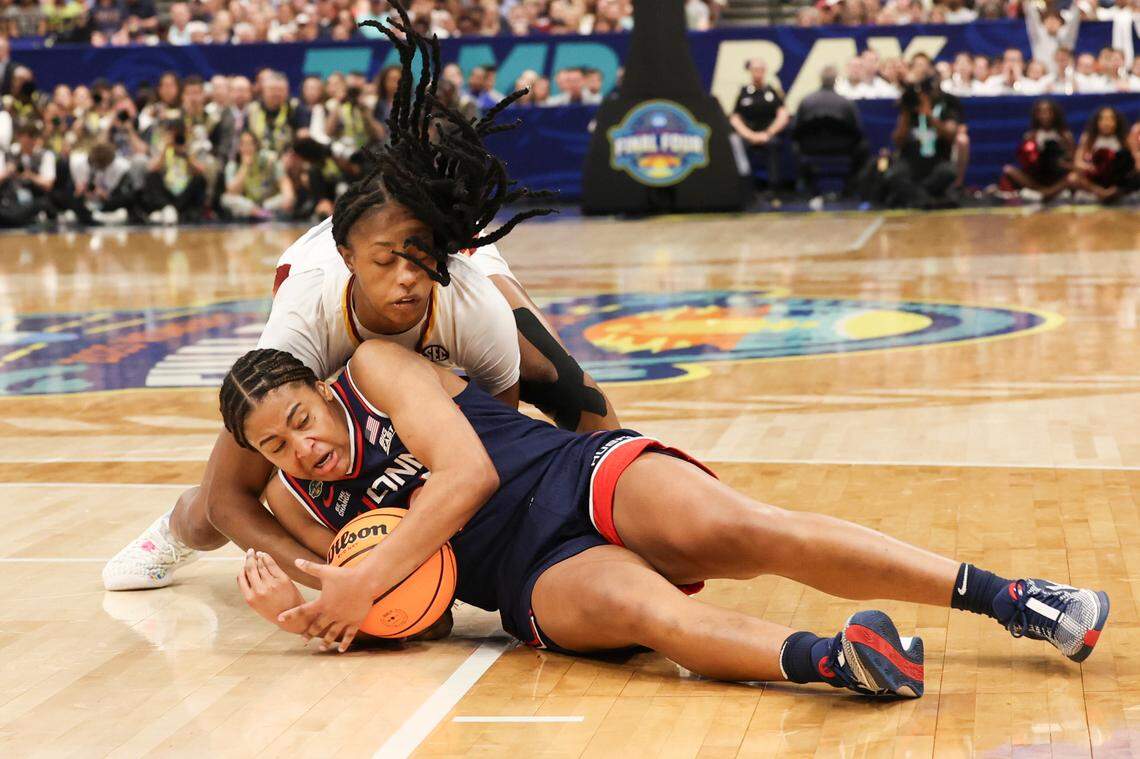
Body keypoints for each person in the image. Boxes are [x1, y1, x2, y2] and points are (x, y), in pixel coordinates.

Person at [228, 342, 1111, 697]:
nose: (300, 450)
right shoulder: (305, 504)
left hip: (572, 473)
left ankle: (1016, 597)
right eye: (275, 448)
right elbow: (385, 608)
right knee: (657, 619)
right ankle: (842, 662)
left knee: (753, 530)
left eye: (300, 420)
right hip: (530, 577)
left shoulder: (376, 368)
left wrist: (358, 581)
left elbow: (465, 476)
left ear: (319, 388)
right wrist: (310, 617)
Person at [102, 6, 620, 593]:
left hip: (457, 303)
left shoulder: (470, 288)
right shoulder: (305, 317)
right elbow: (231, 500)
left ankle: (619, 515)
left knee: (565, 384)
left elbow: (496, 441)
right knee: (236, 489)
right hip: (331, 322)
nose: (405, 272)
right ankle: (174, 528)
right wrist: (349, 573)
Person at [882, 68, 965, 208]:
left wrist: (929, 116)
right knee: (894, 175)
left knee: (948, 172)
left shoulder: (946, 104)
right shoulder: (910, 107)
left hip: (937, 159)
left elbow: (951, 134)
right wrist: (906, 115)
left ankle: (916, 198)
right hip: (911, 160)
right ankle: (927, 200)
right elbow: (898, 141)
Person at [791, 65, 868, 195]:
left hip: (811, 148)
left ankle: (805, 185)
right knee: (864, 146)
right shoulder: (846, 103)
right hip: (842, 148)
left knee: (795, 146)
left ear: (820, 79)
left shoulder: (806, 101)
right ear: (836, 80)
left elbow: (795, 130)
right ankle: (854, 185)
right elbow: (858, 131)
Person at [729, 58, 789, 192]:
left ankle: (773, 187)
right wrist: (750, 135)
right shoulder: (743, 92)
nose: (758, 73)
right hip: (748, 135)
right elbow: (735, 118)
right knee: (737, 145)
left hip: (768, 134)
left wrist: (768, 133)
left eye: (761, 69)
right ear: (750, 71)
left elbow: (783, 115)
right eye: (755, 70)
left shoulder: (772, 91)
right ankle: (745, 186)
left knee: (774, 145)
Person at [999, 98, 1073, 201]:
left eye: (1048, 112)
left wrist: (1060, 162)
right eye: (1041, 112)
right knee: (1009, 170)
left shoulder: (1065, 136)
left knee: (1074, 177)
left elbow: (1073, 160)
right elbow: (1024, 162)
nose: (1045, 115)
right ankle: (1044, 192)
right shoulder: (1030, 136)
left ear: (1055, 114)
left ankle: (1047, 193)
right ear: (1036, 115)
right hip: (1037, 176)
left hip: (1057, 176)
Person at [1065, 106, 1137, 202]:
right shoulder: (1088, 138)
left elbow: (1135, 161)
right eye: (1103, 119)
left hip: (1117, 180)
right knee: (1073, 178)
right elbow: (1078, 162)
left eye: (1110, 119)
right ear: (1097, 122)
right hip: (1095, 179)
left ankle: (1114, 192)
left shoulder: (1125, 139)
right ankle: (1101, 193)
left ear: (1117, 122)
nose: (1106, 123)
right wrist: (1090, 168)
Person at [220, 130, 294, 219]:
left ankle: (262, 213)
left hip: (268, 203)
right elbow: (232, 191)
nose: (247, 147)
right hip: (248, 204)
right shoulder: (233, 165)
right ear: (239, 147)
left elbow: (284, 181)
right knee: (226, 199)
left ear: (256, 145)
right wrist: (245, 167)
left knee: (288, 197)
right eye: (243, 144)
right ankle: (258, 213)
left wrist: (288, 197)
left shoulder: (269, 159)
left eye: (250, 143)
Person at [1026, 1, 1081, 76]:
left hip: (1062, 77)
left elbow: (1073, 23)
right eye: (1048, 21)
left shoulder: (1066, 37)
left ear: (1061, 24)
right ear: (1043, 23)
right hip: (1041, 76)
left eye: (1055, 21)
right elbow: (1031, 17)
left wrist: (1076, 4)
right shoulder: (1038, 36)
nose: (1051, 24)